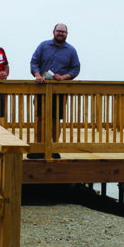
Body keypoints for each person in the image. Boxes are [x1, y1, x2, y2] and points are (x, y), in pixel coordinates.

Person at [28, 23, 81, 159]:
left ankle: (53, 147)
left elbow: (76, 69)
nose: (60, 34)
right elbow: (34, 62)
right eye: (59, 31)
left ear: (66, 34)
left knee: (56, 119)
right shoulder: (43, 46)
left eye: (63, 32)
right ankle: (38, 147)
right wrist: (38, 76)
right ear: (53, 32)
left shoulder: (71, 50)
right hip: (42, 88)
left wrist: (63, 77)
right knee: (40, 117)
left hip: (59, 90)